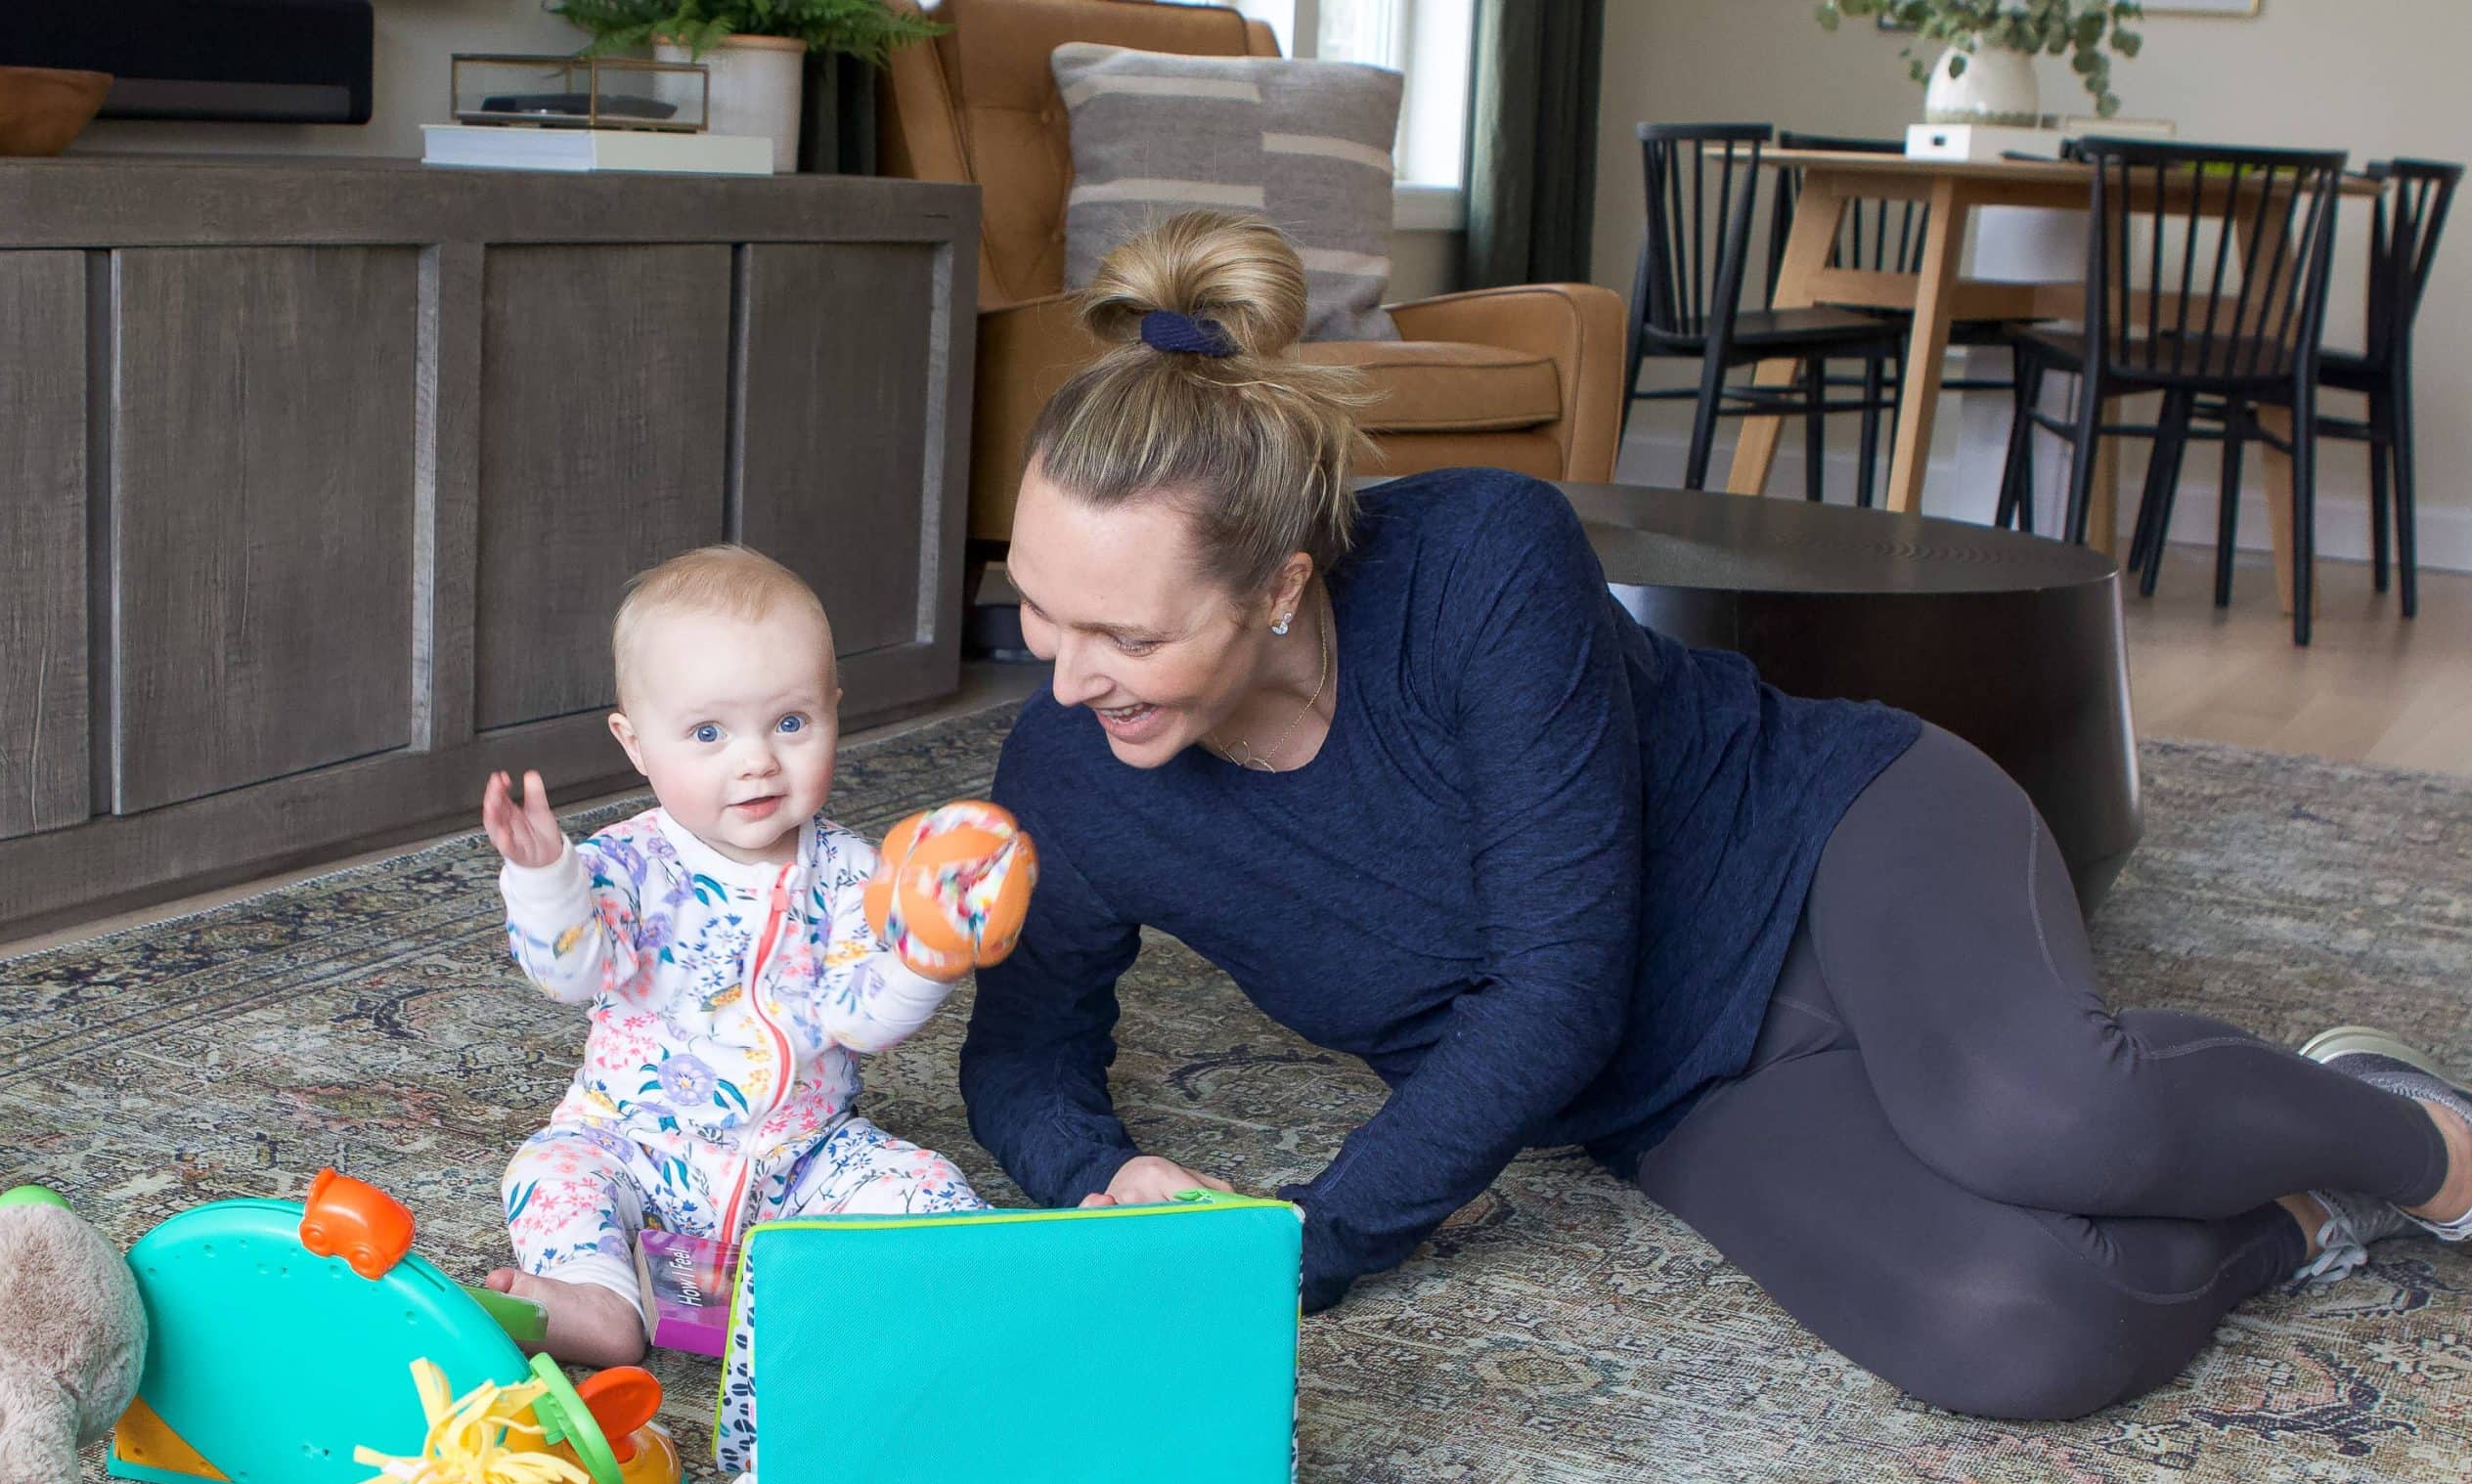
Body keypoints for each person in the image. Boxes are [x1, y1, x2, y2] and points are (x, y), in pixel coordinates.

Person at [957, 210, 2472, 1421]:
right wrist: (1100, 1173)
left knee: (2034, 1113)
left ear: (1283, 580)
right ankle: (2299, 1205)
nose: (1067, 674)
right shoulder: (1073, 773)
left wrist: (1313, 1239)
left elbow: (1558, 983)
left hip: (1830, 839)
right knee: (2017, 1329)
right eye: (1033, 607)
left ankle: (2420, 1142)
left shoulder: (1482, 555)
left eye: (1128, 637)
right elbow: (1025, 1043)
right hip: (1673, 1086)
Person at [477, 545, 1003, 1366]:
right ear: (637, 742)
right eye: (709, 732)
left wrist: (928, 955)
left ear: (834, 708)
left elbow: (862, 1022)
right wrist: (545, 880)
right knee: (551, 1173)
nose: (756, 758)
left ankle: (860, 1294)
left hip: (802, 1164)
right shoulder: (624, 865)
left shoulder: (855, 873)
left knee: (925, 1186)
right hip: (636, 1147)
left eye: (791, 722)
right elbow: (566, 972)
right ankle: (602, 1298)